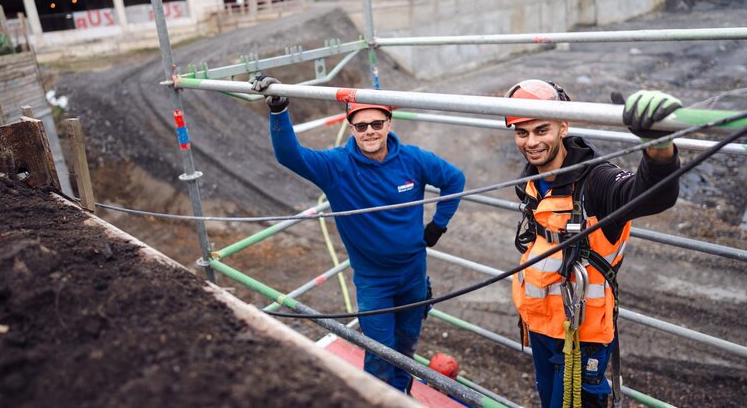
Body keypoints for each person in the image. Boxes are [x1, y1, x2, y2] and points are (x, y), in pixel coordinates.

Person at [250, 75, 466, 393]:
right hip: (374, 282)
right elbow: (289, 155)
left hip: (413, 276)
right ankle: (377, 398)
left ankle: (401, 396)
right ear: (351, 127)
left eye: (376, 124)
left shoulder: (413, 160)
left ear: (389, 123)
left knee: (406, 350)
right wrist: (279, 109)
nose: (369, 132)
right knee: (380, 353)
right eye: (361, 125)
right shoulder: (337, 166)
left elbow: (454, 179)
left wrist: (438, 225)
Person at [504, 80, 682, 408]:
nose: (531, 142)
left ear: (564, 126)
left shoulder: (596, 181)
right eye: (522, 133)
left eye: (541, 130)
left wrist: (658, 148)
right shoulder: (533, 178)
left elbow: (653, 194)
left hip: (581, 336)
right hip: (540, 325)